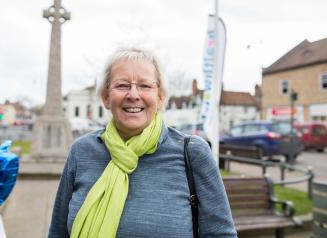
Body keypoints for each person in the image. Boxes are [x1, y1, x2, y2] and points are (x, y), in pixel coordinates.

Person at [48, 48, 237, 238]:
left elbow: (222, 234)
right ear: (105, 97)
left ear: (160, 97)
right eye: (122, 85)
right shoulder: (82, 152)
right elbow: (58, 232)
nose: (133, 94)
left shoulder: (192, 152)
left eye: (145, 86)